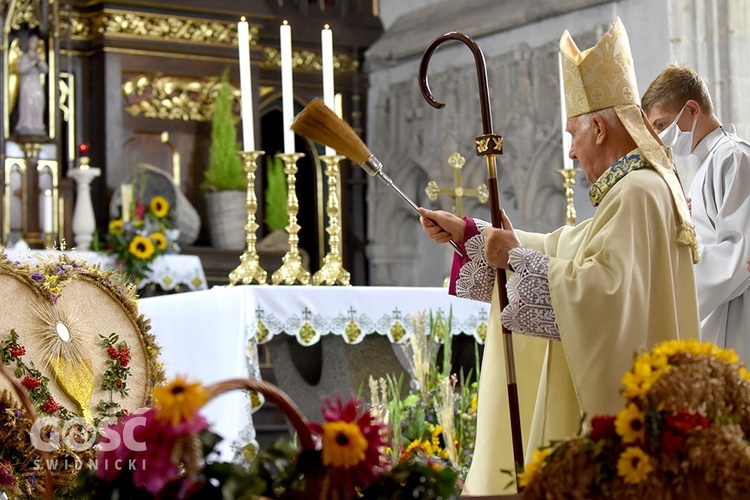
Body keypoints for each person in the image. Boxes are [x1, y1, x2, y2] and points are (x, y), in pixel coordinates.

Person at [419, 18, 701, 495]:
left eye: (573, 134)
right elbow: (569, 248)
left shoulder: (637, 191)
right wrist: (475, 235)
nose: (570, 151)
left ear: (597, 127)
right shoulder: (639, 187)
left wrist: (516, 260)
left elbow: (605, 296)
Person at [642, 64, 750, 361]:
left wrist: (672, 283)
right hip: (719, 312)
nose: (660, 137)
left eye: (662, 125)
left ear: (691, 109)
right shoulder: (709, 163)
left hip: (737, 317)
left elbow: (738, 256)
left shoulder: (732, 157)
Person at [15, 34, 48, 135]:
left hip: (36, 84)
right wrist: (33, 63)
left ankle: (37, 124)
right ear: (29, 44)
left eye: (36, 42)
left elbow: (46, 70)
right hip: (27, 84)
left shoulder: (38, 57)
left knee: (38, 102)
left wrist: (38, 62)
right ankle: (26, 124)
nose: (34, 44)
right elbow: (21, 69)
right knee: (28, 103)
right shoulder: (24, 57)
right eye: (32, 42)